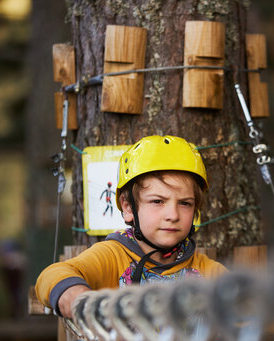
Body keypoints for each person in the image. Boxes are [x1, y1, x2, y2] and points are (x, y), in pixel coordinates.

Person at [35, 135, 227, 319]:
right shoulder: (112, 257)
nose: (173, 215)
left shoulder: (206, 270)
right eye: (158, 201)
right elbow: (51, 275)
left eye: (185, 203)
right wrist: (72, 291)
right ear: (128, 208)